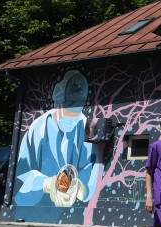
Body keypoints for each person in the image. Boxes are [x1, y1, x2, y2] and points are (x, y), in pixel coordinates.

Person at [14, 70, 99, 208]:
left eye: (75, 115)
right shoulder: (39, 128)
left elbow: (90, 166)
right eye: (67, 114)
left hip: (71, 208)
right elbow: (23, 171)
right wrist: (46, 183)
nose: (71, 120)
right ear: (58, 104)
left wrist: (80, 188)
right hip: (33, 205)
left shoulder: (85, 128)